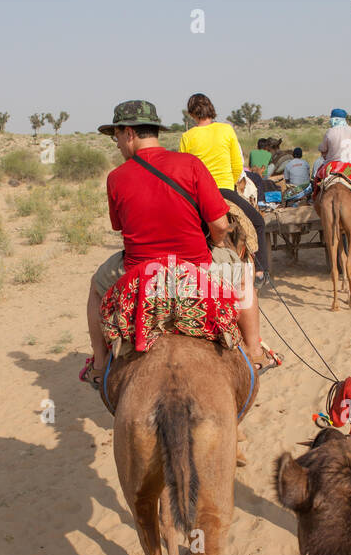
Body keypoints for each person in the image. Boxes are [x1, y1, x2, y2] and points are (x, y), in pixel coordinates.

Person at [82, 101, 281, 383]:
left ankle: (100, 365)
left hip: (141, 273)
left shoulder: (116, 178)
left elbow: (121, 227)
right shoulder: (190, 165)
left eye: (116, 137)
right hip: (197, 267)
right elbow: (221, 225)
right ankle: (254, 350)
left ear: (129, 133)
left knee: (95, 289)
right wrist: (214, 242)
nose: (117, 145)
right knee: (243, 278)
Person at [179, 93, 271, 282]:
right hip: (225, 190)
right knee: (258, 223)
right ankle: (261, 272)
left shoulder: (187, 136)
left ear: (192, 113)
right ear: (210, 109)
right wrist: (231, 181)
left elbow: (184, 170)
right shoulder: (226, 130)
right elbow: (238, 165)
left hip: (199, 196)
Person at [318, 109, 351, 210]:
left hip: (332, 166)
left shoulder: (330, 132)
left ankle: (315, 199)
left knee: (317, 177)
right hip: (349, 166)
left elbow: (323, 149)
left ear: (334, 118)